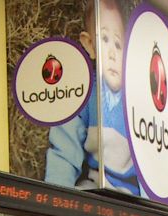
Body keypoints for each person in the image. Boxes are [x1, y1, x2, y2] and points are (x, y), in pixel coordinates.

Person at [45, 0, 137, 195]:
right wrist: (55, 201)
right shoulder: (82, 95)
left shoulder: (137, 99)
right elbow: (64, 150)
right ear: (90, 44)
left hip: (136, 199)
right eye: (104, 39)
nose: (112, 53)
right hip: (95, 194)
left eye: (118, 44)